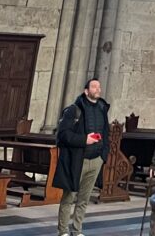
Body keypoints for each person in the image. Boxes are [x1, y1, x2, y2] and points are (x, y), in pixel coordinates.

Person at [53, 78, 110, 236]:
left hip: (96, 160)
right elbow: (63, 135)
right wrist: (84, 140)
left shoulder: (102, 109)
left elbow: (106, 133)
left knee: (84, 199)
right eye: (94, 86)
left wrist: (103, 155)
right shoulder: (74, 110)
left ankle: (77, 231)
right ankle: (63, 231)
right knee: (69, 197)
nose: (98, 89)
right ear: (86, 91)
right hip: (78, 160)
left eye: (99, 86)